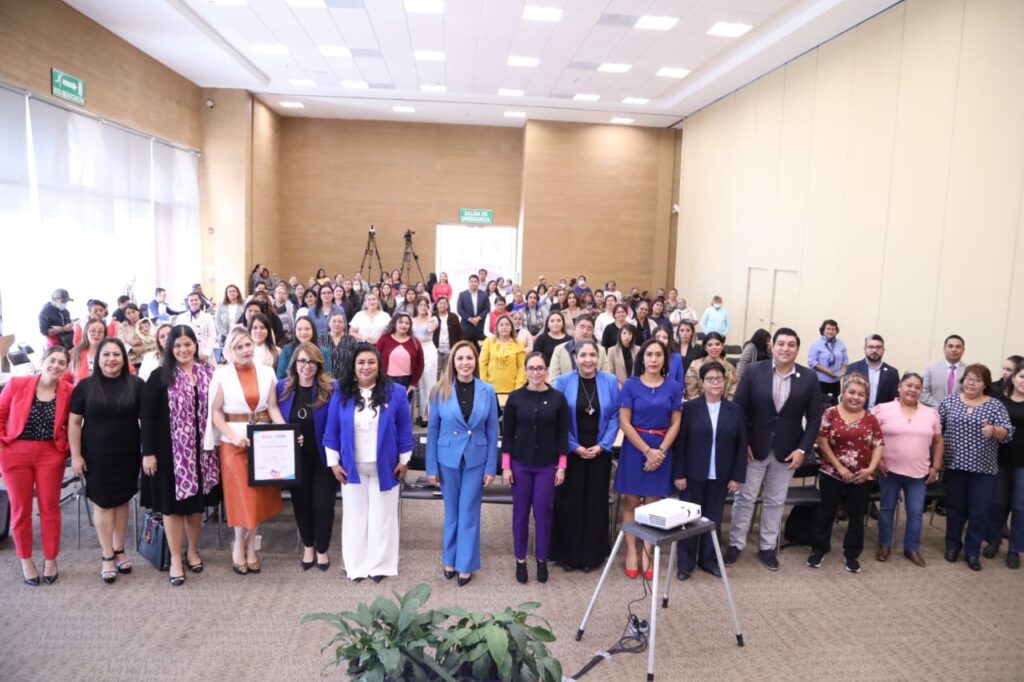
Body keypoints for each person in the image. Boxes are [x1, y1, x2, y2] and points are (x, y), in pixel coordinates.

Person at [725, 327, 824, 571]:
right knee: (745, 499)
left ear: (797, 350)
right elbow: (738, 409)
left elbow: (815, 418)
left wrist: (803, 450)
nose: (785, 348)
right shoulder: (753, 371)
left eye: (791, 345)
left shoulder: (809, 377)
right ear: (772, 346)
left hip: (788, 451)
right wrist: (743, 444)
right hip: (753, 448)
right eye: (781, 343)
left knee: (775, 501)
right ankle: (736, 544)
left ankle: (768, 547)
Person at [140, 326, 220, 586]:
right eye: (177, 346)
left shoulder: (208, 373)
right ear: (169, 348)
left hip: (201, 453)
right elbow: (146, 417)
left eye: (188, 344)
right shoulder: (159, 376)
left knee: (195, 507)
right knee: (172, 508)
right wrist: (148, 453)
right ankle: (175, 557)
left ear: (195, 345)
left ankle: (193, 550)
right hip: (169, 453)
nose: (183, 350)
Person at [327, 344, 413, 580]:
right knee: (354, 518)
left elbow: (405, 429)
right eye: (361, 362)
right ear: (353, 366)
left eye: (371, 362)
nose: (366, 367)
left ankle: (380, 566)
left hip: (386, 467)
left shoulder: (396, 392)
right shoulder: (340, 392)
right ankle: (356, 566)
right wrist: (333, 463)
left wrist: (404, 460)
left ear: (379, 365)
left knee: (383, 518)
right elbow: (331, 430)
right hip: (351, 467)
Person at [205, 328, 287, 575]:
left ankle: (251, 548)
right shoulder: (222, 375)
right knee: (243, 497)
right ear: (230, 350)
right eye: (239, 347)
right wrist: (233, 436)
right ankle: (239, 546)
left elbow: (272, 407)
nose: (245, 350)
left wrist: (286, 433)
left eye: (247, 345)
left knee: (258, 497)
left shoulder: (267, 372)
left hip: (261, 441)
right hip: (233, 444)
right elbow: (215, 412)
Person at [69, 338, 144, 584]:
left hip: (127, 453)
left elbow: (145, 420)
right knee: (102, 504)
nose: (111, 359)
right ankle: (107, 554)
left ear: (124, 358)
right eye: (106, 355)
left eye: (116, 355)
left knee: (122, 502)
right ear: (98, 359)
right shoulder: (85, 386)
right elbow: (74, 423)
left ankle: (120, 549)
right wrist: (76, 455)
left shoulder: (136, 385)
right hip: (95, 454)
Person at [426, 340, 499, 586]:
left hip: (476, 459)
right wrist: (431, 467)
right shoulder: (439, 390)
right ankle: (450, 559)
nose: (465, 363)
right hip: (447, 459)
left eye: (469, 358)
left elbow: (493, 431)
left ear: (475, 361)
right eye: (460, 358)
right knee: (452, 513)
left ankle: (465, 563)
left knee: (469, 511)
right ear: (453, 362)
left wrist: (491, 467)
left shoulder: (487, 390)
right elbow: (433, 430)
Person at [0, 346, 73, 586]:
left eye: (61, 362)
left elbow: (75, 423)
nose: (56, 366)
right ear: (43, 361)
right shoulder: (17, 384)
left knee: (50, 508)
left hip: (50, 454)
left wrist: (67, 448)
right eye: (52, 360)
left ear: (66, 367)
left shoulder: (68, 391)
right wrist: (2, 446)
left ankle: (50, 559)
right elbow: (0, 415)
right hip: (16, 452)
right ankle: (26, 560)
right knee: (21, 509)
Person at [549, 340, 620, 572]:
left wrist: (602, 445)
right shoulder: (563, 381)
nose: (588, 360)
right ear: (575, 358)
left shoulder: (610, 381)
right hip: (571, 452)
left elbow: (615, 416)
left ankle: (592, 556)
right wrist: (574, 446)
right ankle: (568, 556)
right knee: (570, 503)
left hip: (600, 452)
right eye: (583, 355)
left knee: (595, 503)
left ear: (598, 358)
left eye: (592, 355)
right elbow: (558, 418)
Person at [672, 361, 746, 580]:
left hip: (721, 475)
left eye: (719, 379)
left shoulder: (734, 410)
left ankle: (708, 560)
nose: (715, 383)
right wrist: (679, 474)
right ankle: (685, 564)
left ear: (725, 382)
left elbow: (741, 445)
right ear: (702, 383)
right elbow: (680, 444)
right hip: (692, 475)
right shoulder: (689, 408)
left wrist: (737, 476)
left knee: (712, 520)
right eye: (710, 379)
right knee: (688, 520)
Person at [616, 338, 682, 579]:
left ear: (665, 359)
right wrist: (647, 451)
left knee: (653, 505)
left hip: (662, 448)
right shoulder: (631, 385)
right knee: (632, 502)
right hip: (636, 448)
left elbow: (676, 423)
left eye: (659, 355)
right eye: (649, 354)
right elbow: (624, 421)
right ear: (642, 358)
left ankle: (647, 551)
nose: (654, 359)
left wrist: (660, 452)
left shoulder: (673, 387)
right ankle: (631, 550)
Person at [806, 373, 884, 573]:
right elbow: (822, 441)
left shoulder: (871, 419)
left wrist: (870, 469)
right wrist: (839, 467)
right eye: (851, 392)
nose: (855, 397)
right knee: (826, 512)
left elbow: (878, 445)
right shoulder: (830, 413)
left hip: (862, 476)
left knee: (857, 516)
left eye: (861, 394)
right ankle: (819, 549)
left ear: (866, 397)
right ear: (843, 392)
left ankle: (852, 554)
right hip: (832, 472)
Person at [502, 353, 569, 583]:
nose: (536, 372)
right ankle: (520, 561)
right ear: (525, 370)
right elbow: (507, 434)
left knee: (543, 514)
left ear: (547, 370)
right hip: (520, 466)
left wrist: (562, 466)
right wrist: (506, 466)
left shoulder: (558, 399)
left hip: (547, 467)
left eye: (540, 368)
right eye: (531, 368)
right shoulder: (515, 398)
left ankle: (541, 560)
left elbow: (562, 435)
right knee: (520, 515)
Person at [939, 363, 1014, 570]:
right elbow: (937, 429)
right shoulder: (950, 401)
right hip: (954, 466)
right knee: (955, 508)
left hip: (984, 469)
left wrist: (994, 431)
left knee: (979, 511)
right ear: (963, 381)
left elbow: (1008, 433)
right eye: (968, 379)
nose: (971, 383)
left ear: (985, 384)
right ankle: (952, 546)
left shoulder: (995, 405)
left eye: (978, 380)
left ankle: (972, 552)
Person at [277, 343, 338, 572]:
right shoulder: (282, 389)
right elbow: (273, 416)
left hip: (323, 458)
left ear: (319, 365)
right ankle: (308, 547)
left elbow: (337, 423)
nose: (307, 366)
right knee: (301, 505)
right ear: (295, 363)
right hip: (295, 460)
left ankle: (322, 549)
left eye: (312, 362)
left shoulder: (330, 389)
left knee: (323, 505)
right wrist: (287, 434)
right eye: (302, 361)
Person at [873, 372, 943, 567]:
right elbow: (871, 437)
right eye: (909, 385)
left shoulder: (931, 413)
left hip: (919, 473)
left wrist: (936, 466)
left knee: (915, 512)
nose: (913, 390)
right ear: (899, 387)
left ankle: (911, 548)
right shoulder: (882, 409)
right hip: (889, 470)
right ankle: (884, 545)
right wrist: (877, 461)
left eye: (917, 387)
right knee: (887, 509)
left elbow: (938, 441)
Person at [985, 360, 1024, 568]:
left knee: (1020, 506)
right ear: (1014, 377)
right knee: (998, 502)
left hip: (1022, 463)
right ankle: (993, 541)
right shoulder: (999, 398)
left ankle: (1014, 549)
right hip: (999, 458)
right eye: (1022, 376)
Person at [376, 313, 424, 398]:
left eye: (407, 323)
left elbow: (420, 363)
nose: (404, 325)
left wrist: (413, 383)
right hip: (387, 380)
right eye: (401, 322)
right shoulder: (384, 339)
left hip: (407, 381)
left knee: (404, 405)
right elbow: (375, 358)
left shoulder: (415, 342)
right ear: (394, 323)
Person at [549, 314, 611, 380]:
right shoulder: (559, 350)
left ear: (593, 332)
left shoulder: (601, 350)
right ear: (574, 328)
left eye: (589, 328)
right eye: (582, 327)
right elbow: (553, 379)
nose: (585, 331)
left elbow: (606, 377)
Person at [847, 334, 899, 409]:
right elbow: (846, 394)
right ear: (865, 349)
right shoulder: (853, 368)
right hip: (856, 412)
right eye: (871, 347)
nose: (874, 350)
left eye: (878, 347)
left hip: (882, 414)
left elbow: (895, 399)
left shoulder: (892, 373)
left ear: (883, 350)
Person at [478, 314, 526, 394]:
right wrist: (485, 385)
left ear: (511, 327)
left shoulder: (519, 344)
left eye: (507, 324)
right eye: (501, 325)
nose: (504, 327)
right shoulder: (488, 342)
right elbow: (482, 364)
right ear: (497, 327)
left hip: (513, 391)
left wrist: (518, 389)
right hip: (490, 390)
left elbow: (522, 368)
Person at [684, 332, 739, 400]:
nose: (714, 347)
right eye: (710, 345)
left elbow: (732, 393)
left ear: (722, 346)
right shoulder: (695, 366)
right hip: (699, 405)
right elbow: (691, 392)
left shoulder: (730, 368)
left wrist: (724, 405)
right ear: (705, 348)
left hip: (724, 405)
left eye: (717, 344)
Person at [412, 296, 439, 426]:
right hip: (415, 349)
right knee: (418, 383)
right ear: (416, 306)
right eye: (420, 305)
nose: (423, 307)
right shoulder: (411, 320)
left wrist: (429, 315)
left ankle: (428, 414)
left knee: (429, 382)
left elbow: (430, 329)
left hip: (429, 349)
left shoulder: (433, 319)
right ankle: (419, 412)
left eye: (425, 305)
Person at [808, 319, 848, 400]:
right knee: (820, 403)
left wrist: (841, 372)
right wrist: (827, 371)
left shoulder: (841, 344)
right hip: (820, 381)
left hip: (836, 381)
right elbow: (811, 361)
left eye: (833, 329)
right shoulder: (816, 344)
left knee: (834, 402)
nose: (831, 331)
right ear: (823, 330)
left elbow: (845, 360)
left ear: (836, 331)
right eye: (828, 329)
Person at [921, 334, 966, 407]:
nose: (954, 349)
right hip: (933, 410)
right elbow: (923, 392)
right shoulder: (929, 368)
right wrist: (940, 408)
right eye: (950, 346)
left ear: (963, 350)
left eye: (958, 347)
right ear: (944, 349)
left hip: (959, 412)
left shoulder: (968, 371)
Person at [174, 292, 217, 363]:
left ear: (200, 301)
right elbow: (177, 335)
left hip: (205, 350)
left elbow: (212, 335)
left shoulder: (208, 317)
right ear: (188, 302)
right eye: (191, 300)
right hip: (188, 350)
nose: (194, 302)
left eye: (196, 300)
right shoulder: (181, 317)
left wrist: (206, 353)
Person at [70, 319, 110, 384]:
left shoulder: (110, 353)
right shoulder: (76, 352)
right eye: (93, 331)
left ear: (104, 335)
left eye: (100, 332)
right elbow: (64, 377)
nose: (96, 334)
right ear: (86, 332)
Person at [433, 295, 462, 376]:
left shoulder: (453, 316)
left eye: (444, 303)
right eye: (440, 303)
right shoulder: (433, 316)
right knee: (436, 370)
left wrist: (459, 345)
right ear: (437, 305)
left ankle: (447, 384)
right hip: (436, 348)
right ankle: (437, 385)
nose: (442, 305)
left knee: (448, 371)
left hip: (450, 348)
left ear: (448, 305)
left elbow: (459, 332)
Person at [216, 284, 245, 349]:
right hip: (225, 336)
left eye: (234, 291)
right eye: (229, 291)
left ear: (238, 293)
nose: (232, 292)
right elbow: (217, 320)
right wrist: (225, 333)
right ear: (226, 294)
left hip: (240, 334)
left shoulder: (244, 303)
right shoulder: (221, 304)